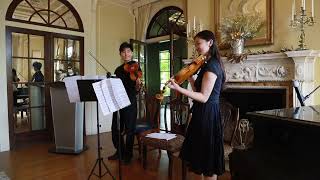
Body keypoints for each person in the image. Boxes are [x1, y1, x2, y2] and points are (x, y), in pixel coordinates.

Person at [167, 30, 226, 180]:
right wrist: (190, 78)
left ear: (210, 43)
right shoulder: (206, 64)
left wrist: (178, 89)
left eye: (199, 43)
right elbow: (198, 90)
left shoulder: (212, 65)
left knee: (208, 162)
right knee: (201, 158)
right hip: (202, 113)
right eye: (196, 44)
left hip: (207, 114)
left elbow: (204, 97)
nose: (197, 47)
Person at [108, 42, 141, 164]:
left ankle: (128, 155)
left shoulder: (136, 67)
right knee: (116, 128)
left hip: (130, 101)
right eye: (123, 52)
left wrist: (138, 84)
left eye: (128, 51)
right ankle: (119, 151)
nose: (126, 54)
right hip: (118, 101)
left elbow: (137, 89)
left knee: (129, 129)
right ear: (120, 54)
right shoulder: (118, 70)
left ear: (131, 53)